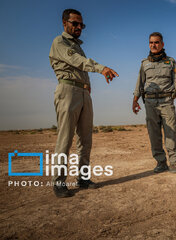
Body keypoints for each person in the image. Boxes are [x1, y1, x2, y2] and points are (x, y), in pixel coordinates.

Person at [49, 9, 118, 198]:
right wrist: (101, 68)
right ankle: (59, 182)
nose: (79, 27)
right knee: (65, 139)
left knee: (85, 139)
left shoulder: (78, 45)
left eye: (82, 25)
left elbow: (79, 66)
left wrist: (86, 85)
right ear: (65, 23)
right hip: (68, 91)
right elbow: (77, 61)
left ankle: (83, 177)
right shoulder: (60, 42)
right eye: (75, 23)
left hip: (83, 92)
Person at [132, 32, 176, 175]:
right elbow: (140, 82)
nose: (153, 45)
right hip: (150, 102)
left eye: (156, 42)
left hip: (167, 101)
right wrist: (135, 101)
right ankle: (161, 162)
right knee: (154, 134)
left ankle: (174, 163)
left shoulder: (171, 61)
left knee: (171, 132)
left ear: (162, 44)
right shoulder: (145, 63)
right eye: (151, 42)